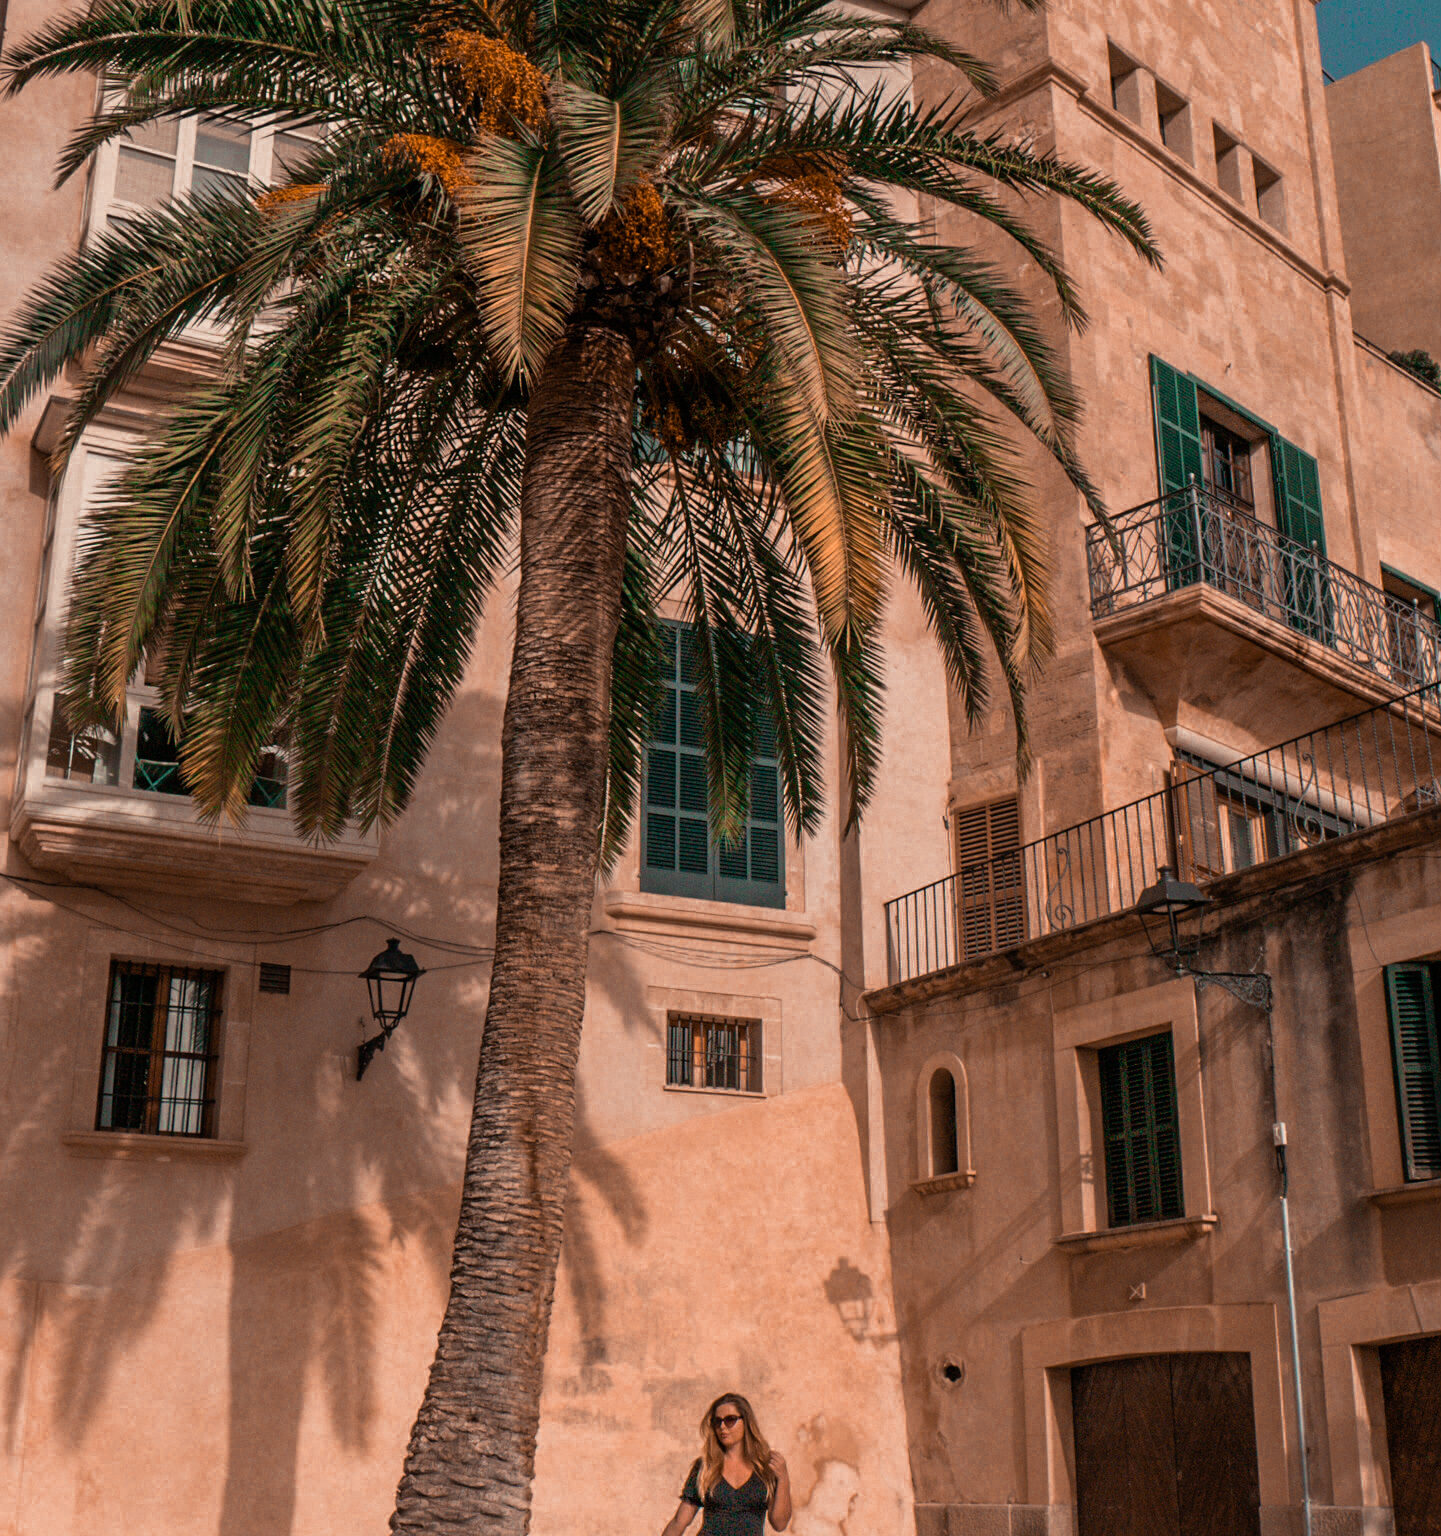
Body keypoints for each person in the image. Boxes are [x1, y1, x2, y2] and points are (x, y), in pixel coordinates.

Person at [660, 1392, 793, 1535]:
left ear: (746, 1422)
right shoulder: (706, 1467)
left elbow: (779, 1523)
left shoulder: (766, 1468)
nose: (723, 1427)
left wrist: (783, 1478)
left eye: (730, 1420)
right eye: (717, 1421)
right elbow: (680, 1521)